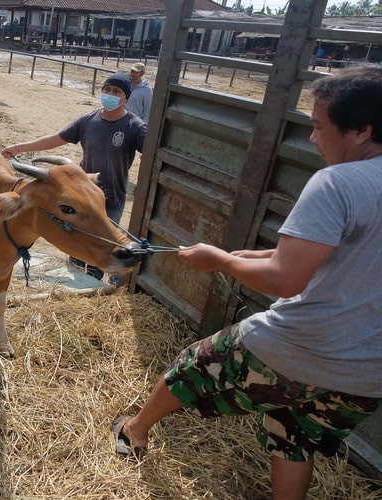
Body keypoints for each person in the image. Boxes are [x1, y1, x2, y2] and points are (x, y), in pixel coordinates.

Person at [111, 66, 382, 499]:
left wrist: (218, 261)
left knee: (189, 366)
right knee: (291, 433)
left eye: (318, 126)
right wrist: (246, 256)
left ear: (361, 131)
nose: (313, 138)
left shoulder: (339, 182)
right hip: (368, 377)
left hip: (301, 347)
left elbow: (288, 279)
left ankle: (135, 430)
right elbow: (342, 261)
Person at [2, 73, 147, 285]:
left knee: (107, 244)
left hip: (112, 196)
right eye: (107, 89)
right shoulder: (88, 120)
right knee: (78, 243)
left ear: (126, 97)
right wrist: (18, 148)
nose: (110, 94)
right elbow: (55, 139)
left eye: (116, 91)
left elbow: (151, 155)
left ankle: (96, 285)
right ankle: (79, 283)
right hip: (79, 198)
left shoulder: (135, 126)